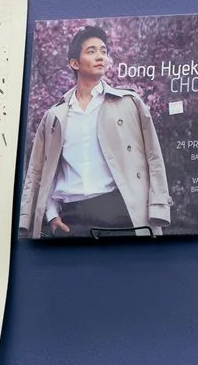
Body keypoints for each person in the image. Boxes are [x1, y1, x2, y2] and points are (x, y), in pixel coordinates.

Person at [19, 25, 172, 238]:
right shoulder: (54, 116)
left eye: (103, 51)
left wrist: (158, 207)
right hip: (71, 219)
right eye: (91, 51)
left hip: (121, 214)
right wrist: (51, 214)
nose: (100, 56)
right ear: (74, 63)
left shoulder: (129, 103)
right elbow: (39, 171)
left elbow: (154, 157)